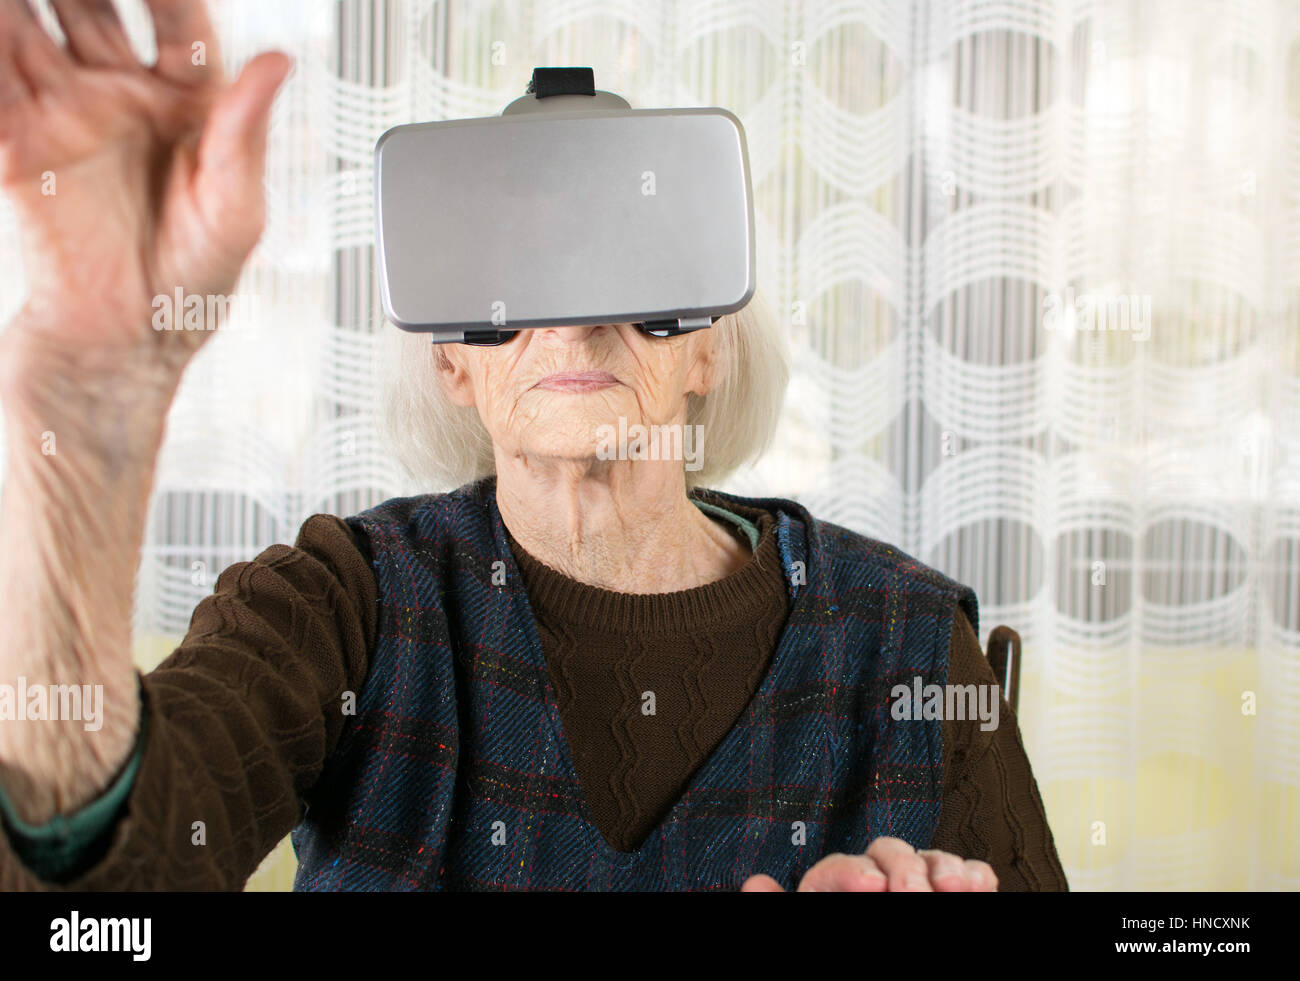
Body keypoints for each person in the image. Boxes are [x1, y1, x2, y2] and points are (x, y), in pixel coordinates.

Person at [0, 0, 1066, 892]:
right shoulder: (344, 609)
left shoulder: (908, 645)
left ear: (709, 351)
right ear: (451, 366)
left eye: (634, 253)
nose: (569, 312)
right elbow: (114, 879)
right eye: (508, 264)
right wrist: (91, 404)